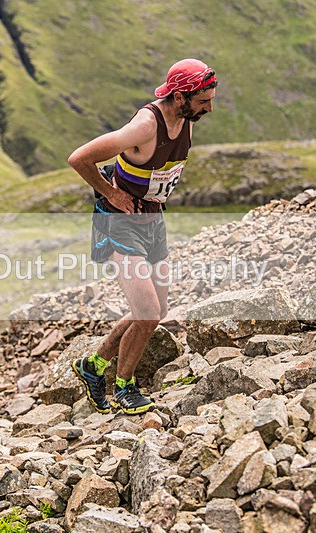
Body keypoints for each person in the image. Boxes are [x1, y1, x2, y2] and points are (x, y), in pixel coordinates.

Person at [67, 58, 217, 415]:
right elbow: (79, 158)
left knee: (156, 310)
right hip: (120, 221)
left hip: (151, 218)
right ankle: (125, 386)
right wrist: (111, 193)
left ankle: (93, 366)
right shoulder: (145, 125)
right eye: (203, 101)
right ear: (180, 95)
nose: (210, 108)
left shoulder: (186, 120)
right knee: (147, 313)